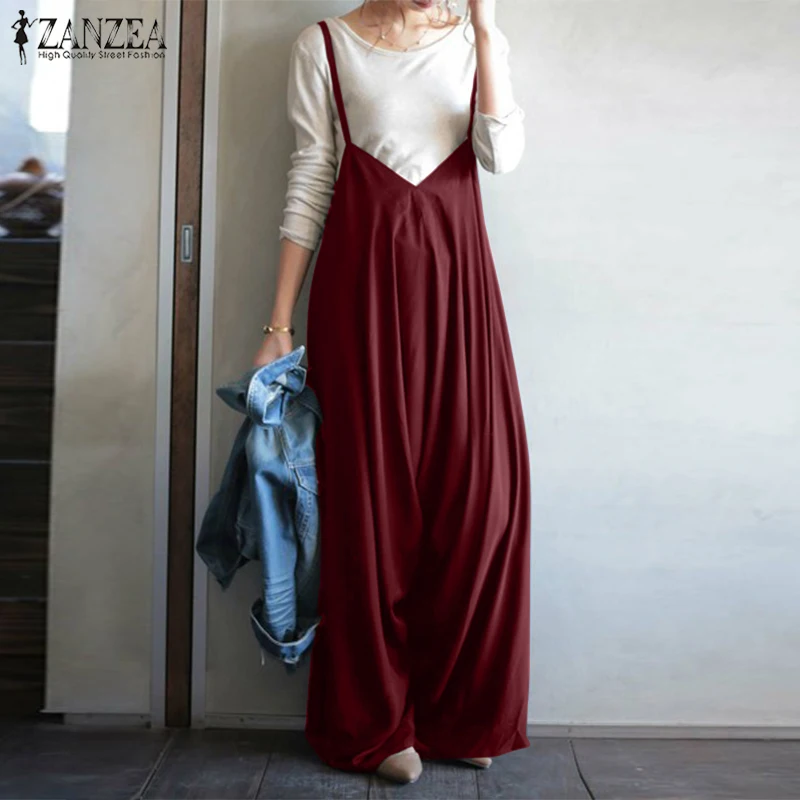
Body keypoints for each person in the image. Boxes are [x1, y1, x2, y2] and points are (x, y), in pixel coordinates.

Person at [253, 0, 531, 785]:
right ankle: (376, 723)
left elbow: (502, 155)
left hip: (458, 293)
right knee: (371, 509)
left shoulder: (475, 43)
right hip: (361, 293)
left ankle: (461, 713)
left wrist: (485, 33)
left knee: (482, 501)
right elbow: (312, 174)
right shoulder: (324, 46)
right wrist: (278, 322)